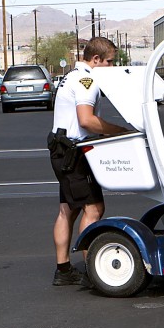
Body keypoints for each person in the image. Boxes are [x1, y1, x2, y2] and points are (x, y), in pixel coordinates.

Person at [48, 37, 127, 286]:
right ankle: (95, 272)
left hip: (60, 148)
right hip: (73, 152)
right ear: (96, 59)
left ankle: (63, 270)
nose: (112, 67)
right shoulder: (87, 80)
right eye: (110, 62)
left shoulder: (71, 75)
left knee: (67, 210)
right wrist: (120, 130)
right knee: (93, 210)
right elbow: (87, 121)